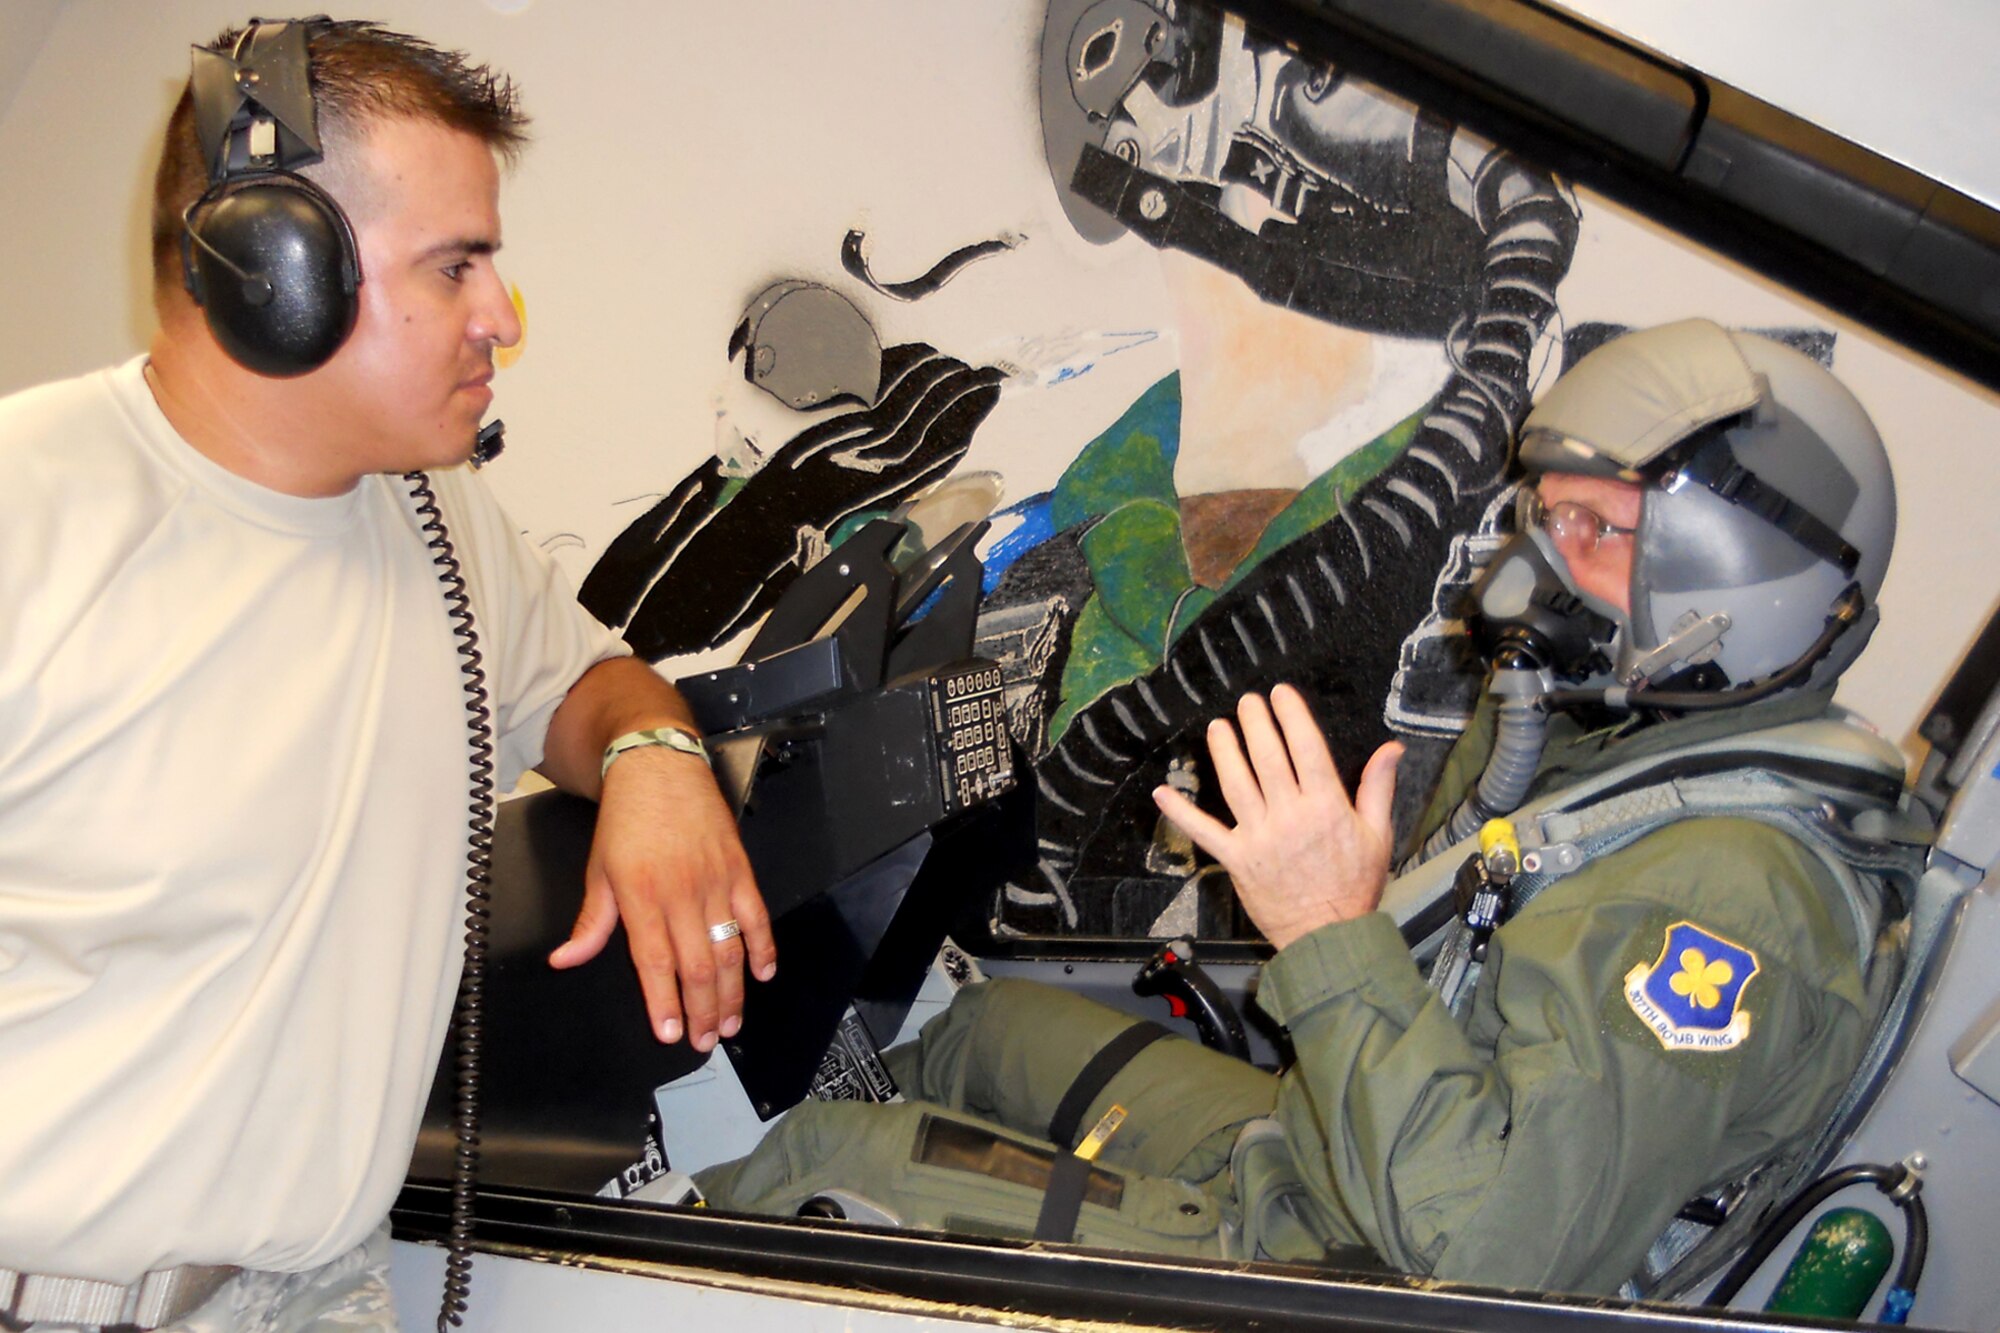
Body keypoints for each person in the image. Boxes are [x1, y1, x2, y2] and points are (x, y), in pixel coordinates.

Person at [695, 319, 1920, 1296]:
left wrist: (1329, 931)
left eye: (1594, 529)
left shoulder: (1715, 902)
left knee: (815, 1165)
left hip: (1347, 1259)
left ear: (1738, 576)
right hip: (1354, 1139)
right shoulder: (1653, 758)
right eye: (1543, 518)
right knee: (977, 1031)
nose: (1533, 570)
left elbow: (1484, 1266)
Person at [0, 19, 770, 1332]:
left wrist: (656, 760)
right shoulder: (33, 511)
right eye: (456, 266)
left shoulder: (438, 521)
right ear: (269, 270)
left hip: (330, 1293)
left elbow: (593, 687)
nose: (503, 320)